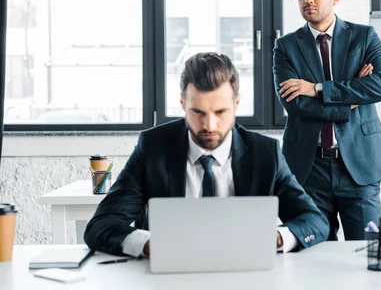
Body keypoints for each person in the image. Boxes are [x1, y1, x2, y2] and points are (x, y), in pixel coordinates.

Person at [84, 52, 329, 257]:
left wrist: (275, 238)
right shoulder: (153, 148)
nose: (209, 125)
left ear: (236, 104)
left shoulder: (266, 153)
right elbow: (101, 226)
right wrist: (149, 245)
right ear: (182, 104)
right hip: (170, 277)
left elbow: (315, 221)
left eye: (220, 112)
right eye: (198, 112)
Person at [273, 0, 381, 241]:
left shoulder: (364, 37)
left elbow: (380, 86)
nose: (309, 0)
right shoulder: (286, 47)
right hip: (309, 168)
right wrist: (352, 97)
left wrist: (315, 88)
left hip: (359, 164)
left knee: (366, 254)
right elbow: (294, 105)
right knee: (314, 256)